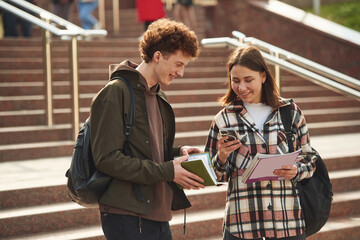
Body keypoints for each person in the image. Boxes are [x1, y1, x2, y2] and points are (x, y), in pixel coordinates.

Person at [90, 18, 204, 239]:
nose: (181, 73)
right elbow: (106, 158)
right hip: (126, 213)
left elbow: (148, 151)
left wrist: (178, 153)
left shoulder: (158, 95)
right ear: (158, 56)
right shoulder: (115, 92)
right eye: (178, 64)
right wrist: (169, 170)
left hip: (158, 212)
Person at [205, 45, 318, 240]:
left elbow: (310, 159)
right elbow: (214, 176)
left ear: (263, 76)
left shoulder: (290, 112)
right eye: (236, 81)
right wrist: (221, 156)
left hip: (286, 221)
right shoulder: (223, 120)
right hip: (242, 223)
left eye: (249, 80)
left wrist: (296, 171)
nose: (241, 87)